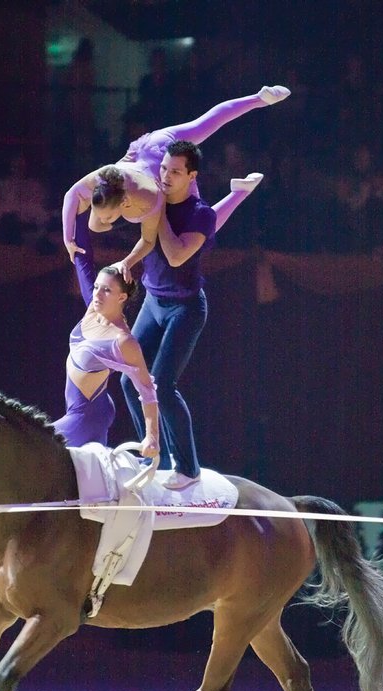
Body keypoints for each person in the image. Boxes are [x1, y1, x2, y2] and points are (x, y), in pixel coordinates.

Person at [62, 84, 291, 267]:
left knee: (200, 227)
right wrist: (68, 239)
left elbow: (148, 240)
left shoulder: (148, 196)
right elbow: (71, 194)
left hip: (167, 165)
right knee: (207, 122)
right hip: (150, 145)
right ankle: (259, 98)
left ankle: (239, 192)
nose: (104, 219)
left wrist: (126, 262)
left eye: (108, 216)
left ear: (123, 202)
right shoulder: (104, 177)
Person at [117, 140, 222, 490]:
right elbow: (147, 241)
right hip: (153, 301)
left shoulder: (201, 214)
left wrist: (158, 211)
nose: (165, 176)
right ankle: (153, 456)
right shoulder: (154, 199)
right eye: (163, 168)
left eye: (175, 171)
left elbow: (176, 255)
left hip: (185, 308)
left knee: (162, 385)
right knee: (130, 380)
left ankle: (188, 468)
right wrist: (128, 261)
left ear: (192, 176)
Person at [52, 253, 159, 459]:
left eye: (107, 290)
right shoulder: (94, 311)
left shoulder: (123, 341)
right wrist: (71, 240)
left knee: (29, 445)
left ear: (122, 297)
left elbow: (147, 390)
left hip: (85, 418)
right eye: (96, 287)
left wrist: (152, 437)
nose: (98, 295)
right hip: (89, 407)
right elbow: (84, 263)